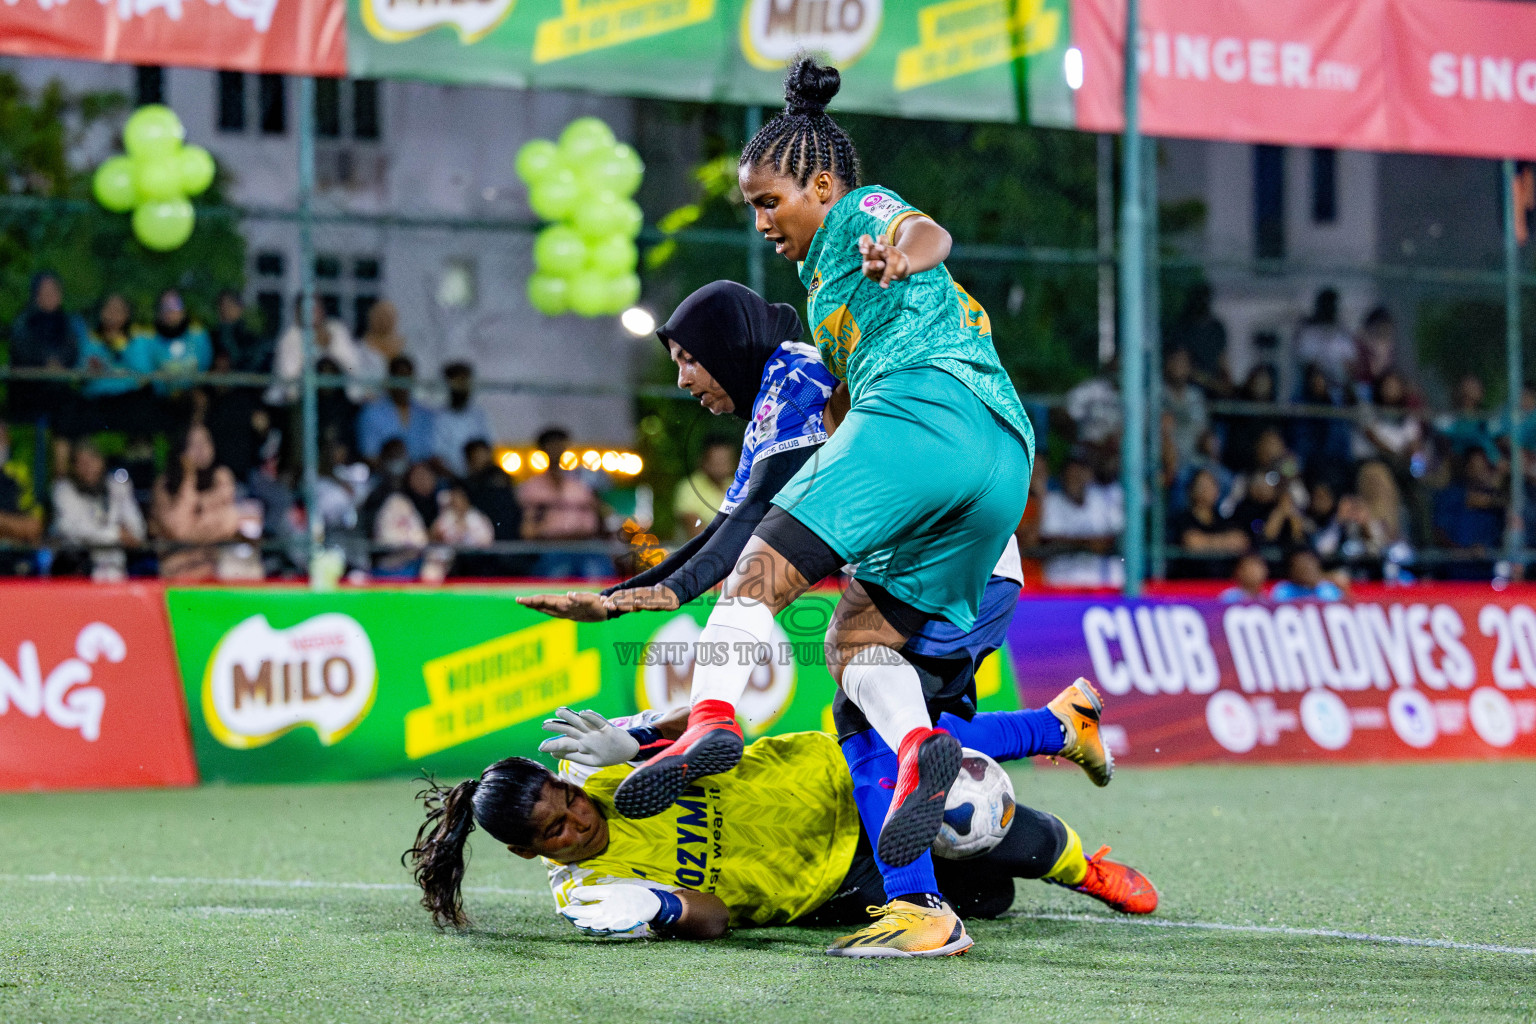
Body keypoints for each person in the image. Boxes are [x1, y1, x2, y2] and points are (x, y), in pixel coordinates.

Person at [601, 62, 1034, 953]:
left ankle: (713, 721)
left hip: (924, 414)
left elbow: (924, 230)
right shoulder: (828, 301)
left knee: (753, 581)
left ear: (823, 185)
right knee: (856, 642)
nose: (764, 226)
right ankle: (920, 756)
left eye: (770, 203)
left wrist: (902, 247)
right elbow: (839, 415)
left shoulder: (858, 216)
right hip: (1001, 462)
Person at [519, 280, 1087, 957]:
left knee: (855, 706)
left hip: (958, 555)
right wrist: (627, 597)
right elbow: (728, 532)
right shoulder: (780, 392)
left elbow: (741, 536)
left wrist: (633, 598)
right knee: (879, 702)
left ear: (724, 347)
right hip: (948, 543)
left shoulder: (798, 381)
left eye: (688, 359)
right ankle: (1058, 728)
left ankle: (919, 904)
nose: (682, 378)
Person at [404, 704, 1157, 948]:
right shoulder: (590, 892)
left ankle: (1085, 867)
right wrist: (663, 909)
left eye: (562, 799)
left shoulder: (598, 772)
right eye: (555, 828)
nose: (575, 815)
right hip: (827, 884)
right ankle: (1057, 722)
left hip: (830, 780)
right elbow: (717, 915)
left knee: (977, 821)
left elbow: (703, 718)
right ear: (526, 850)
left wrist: (638, 739)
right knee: (990, 898)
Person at [151, 423, 260, 581]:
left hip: (216, 567)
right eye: (193, 444)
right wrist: (189, 477)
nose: (201, 449)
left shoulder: (222, 477)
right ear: (180, 451)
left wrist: (193, 526)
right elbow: (179, 528)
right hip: (178, 571)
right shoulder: (164, 484)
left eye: (205, 441)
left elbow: (227, 522)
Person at [517, 426, 609, 579]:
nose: (556, 449)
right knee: (558, 572)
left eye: (560, 444)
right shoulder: (531, 488)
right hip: (550, 550)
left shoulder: (580, 486)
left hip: (585, 548)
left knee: (599, 573)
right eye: (551, 445)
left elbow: (597, 521)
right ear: (543, 449)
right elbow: (528, 531)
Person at [50, 439, 146, 581]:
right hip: (78, 573)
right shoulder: (63, 490)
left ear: (102, 461)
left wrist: (106, 533)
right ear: (74, 467)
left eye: (92, 460)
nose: (88, 467)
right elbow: (73, 529)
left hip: (116, 574)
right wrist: (116, 534)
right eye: (82, 463)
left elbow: (138, 531)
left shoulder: (118, 486)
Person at [8, 271, 83, 431]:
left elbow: (72, 350)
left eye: (54, 290)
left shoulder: (67, 322)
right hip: (28, 389)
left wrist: (58, 364)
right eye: (45, 291)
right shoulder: (24, 321)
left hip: (58, 388)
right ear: (36, 294)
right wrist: (46, 363)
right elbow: (21, 350)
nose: (50, 295)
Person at [75, 293, 158, 435]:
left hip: (128, 397)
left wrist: (122, 346)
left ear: (127, 314)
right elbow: (80, 372)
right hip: (97, 397)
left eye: (118, 310)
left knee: (143, 409)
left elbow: (143, 372)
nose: (113, 315)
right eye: (108, 309)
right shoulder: (91, 341)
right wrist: (90, 370)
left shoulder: (137, 340)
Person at [1038, 452, 1124, 588]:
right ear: (1063, 476)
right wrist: (1087, 543)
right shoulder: (1051, 501)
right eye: (1072, 473)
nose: (1076, 477)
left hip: (1099, 573)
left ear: (1089, 475)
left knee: (1120, 571)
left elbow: (1115, 536)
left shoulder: (1102, 498)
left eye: (1081, 472)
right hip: (1064, 575)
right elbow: (1048, 539)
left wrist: (1090, 543)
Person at [270, 295, 359, 405]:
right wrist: (312, 346)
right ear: (299, 311)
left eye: (317, 307)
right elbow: (289, 376)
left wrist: (330, 346)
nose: (314, 312)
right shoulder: (290, 337)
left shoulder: (336, 329)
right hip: (299, 400)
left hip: (339, 399)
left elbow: (352, 366)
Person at [143, 288, 213, 419]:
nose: (170, 311)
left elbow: (205, 368)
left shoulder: (198, 335)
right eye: (164, 307)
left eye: (175, 305)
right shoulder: (149, 338)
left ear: (183, 310)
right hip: (161, 398)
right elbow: (148, 373)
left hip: (191, 397)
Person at [1168, 469, 1250, 579]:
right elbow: (1193, 543)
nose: (1207, 490)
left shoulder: (1223, 520)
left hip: (1221, 583)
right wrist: (1225, 542)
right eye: (1202, 485)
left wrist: (1207, 542)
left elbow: (1240, 541)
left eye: (1211, 485)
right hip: (1189, 581)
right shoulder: (1182, 519)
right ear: (1191, 490)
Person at [357, 355, 435, 465]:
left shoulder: (424, 414)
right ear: (390, 379)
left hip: (418, 475)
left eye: (407, 377)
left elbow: (429, 454)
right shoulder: (371, 412)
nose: (403, 383)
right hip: (385, 475)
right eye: (399, 377)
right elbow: (370, 456)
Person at [430, 362, 492, 478]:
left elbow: (487, 448)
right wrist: (456, 479)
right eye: (458, 383)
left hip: (478, 479)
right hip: (449, 480)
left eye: (465, 382)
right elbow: (436, 456)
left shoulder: (478, 415)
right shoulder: (439, 418)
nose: (463, 388)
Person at [1170, 282, 1231, 398]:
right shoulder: (1183, 326)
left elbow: (1223, 359)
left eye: (1205, 299)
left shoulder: (1216, 328)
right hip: (1187, 386)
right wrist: (1208, 381)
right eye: (1199, 298)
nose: (1202, 303)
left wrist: (1225, 385)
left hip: (1214, 388)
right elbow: (1180, 362)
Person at [0, 419, 44, 573]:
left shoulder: (19, 475)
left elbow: (33, 527)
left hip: (14, 561)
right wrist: (13, 527)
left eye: (1, 438)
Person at [673, 438, 738, 539]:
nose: (722, 466)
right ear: (704, 461)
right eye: (717, 462)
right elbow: (696, 531)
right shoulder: (689, 487)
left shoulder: (738, 485)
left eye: (725, 461)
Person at [1293, 288, 1355, 392]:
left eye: (1332, 305)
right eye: (1326, 304)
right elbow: (1307, 363)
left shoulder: (1342, 333)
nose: (1329, 308)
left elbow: (1350, 363)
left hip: (1338, 388)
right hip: (1311, 390)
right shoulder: (1308, 332)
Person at [351, 299, 407, 405]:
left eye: (387, 316)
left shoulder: (406, 348)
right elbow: (354, 386)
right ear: (370, 318)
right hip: (371, 404)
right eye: (379, 316)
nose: (383, 321)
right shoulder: (358, 349)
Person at [1161, 347, 1207, 470]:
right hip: (1165, 461)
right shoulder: (1157, 393)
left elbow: (1202, 431)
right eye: (1175, 361)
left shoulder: (1196, 395)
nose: (1179, 366)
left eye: (1183, 362)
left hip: (1193, 458)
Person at [1270, 548, 1345, 602]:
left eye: (1310, 565)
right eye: (1301, 566)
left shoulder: (1329, 589)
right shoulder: (1283, 590)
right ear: (1291, 571)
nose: (1306, 569)